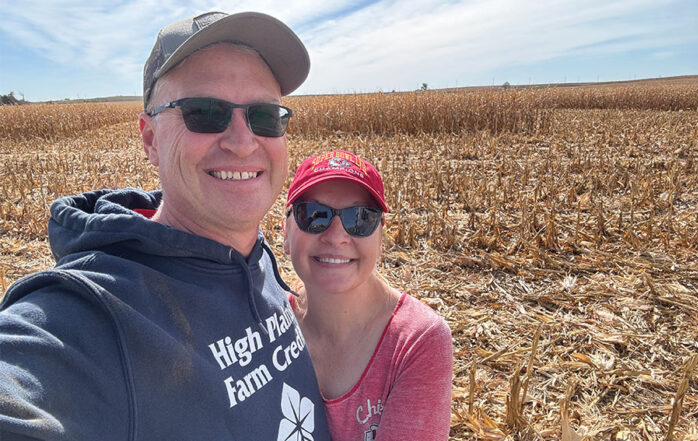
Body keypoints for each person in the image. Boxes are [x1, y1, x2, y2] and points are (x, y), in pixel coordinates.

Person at [0, 11, 331, 441]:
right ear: (151, 140)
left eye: (264, 116)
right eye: (205, 113)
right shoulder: (91, 315)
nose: (243, 140)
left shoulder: (255, 257)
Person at [283, 150, 453, 440]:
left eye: (360, 218)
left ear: (381, 237)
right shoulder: (266, 326)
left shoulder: (417, 341)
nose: (336, 236)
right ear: (285, 232)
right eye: (314, 215)